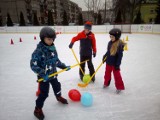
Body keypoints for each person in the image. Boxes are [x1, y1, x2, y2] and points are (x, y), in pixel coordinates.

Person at [30, 27, 70, 120]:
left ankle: (59, 97)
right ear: (42, 38)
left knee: (57, 87)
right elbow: (33, 65)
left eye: (52, 39)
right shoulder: (38, 51)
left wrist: (63, 66)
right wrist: (42, 74)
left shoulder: (52, 48)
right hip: (44, 77)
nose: (51, 41)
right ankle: (37, 109)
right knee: (44, 93)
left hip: (53, 74)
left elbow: (55, 60)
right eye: (49, 39)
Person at [102, 28, 125, 94]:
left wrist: (117, 65)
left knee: (117, 76)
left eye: (112, 36)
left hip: (115, 64)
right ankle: (106, 83)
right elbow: (108, 52)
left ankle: (119, 87)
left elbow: (120, 56)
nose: (111, 37)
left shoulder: (119, 45)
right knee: (107, 74)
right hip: (108, 62)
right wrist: (105, 56)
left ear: (117, 37)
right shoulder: (109, 43)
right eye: (110, 36)